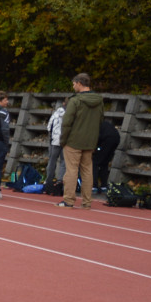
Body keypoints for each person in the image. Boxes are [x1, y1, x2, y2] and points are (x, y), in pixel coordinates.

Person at [58, 73, 105, 209]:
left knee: (71, 170)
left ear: (79, 83)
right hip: (90, 141)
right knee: (87, 171)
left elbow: (67, 122)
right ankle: (87, 201)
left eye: (74, 84)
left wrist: (63, 140)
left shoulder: (75, 100)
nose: (73, 86)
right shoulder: (99, 100)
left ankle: (69, 200)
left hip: (73, 140)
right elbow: (101, 119)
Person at [93, 117, 120, 192]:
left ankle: (94, 185)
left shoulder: (94, 125)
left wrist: (95, 148)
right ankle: (104, 186)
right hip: (116, 139)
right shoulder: (105, 124)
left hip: (106, 140)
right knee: (104, 163)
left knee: (95, 162)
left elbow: (96, 138)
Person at [45, 101, 66, 183]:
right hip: (65, 141)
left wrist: (51, 138)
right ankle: (60, 181)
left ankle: (48, 180)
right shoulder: (70, 114)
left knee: (52, 161)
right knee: (63, 162)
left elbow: (49, 127)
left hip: (54, 141)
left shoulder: (55, 113)